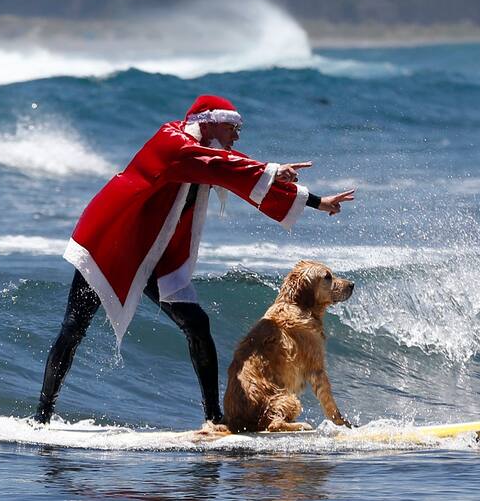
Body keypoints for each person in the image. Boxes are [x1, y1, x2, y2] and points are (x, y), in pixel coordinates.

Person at [34, 94, 355, 424]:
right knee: (74, 327)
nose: (237, 134)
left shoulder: (210, 154)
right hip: (109, 243)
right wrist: (269, 170)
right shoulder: (172, 142)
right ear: (209, 122)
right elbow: (220, 167)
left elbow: (237, 175)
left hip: (151, 255)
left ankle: (214, 418)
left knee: (197, 324)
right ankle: (42, 416)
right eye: (233, 127)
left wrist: (319, 201)